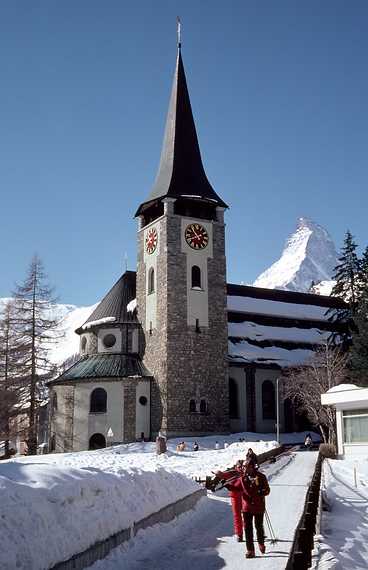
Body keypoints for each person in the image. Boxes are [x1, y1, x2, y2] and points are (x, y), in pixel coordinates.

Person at [229, 458, 270, 558]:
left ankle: (261, 543)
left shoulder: (261, 476)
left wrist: (261, 492)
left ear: (251, 467)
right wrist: (227, 485)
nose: (243, 468)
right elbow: (236, 488)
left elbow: (267, 490)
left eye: (245, 466)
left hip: (258, 506)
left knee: (258, 527)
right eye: (243, 466)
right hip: (247, 508)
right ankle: (250, 550)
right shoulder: (242, 478)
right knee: (248, 529)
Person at [215, 460, 245, 542]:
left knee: (247, 515)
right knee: (237, 516)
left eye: (242, 467)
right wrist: (218, 473)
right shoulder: (233, 473)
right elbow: (223, 475)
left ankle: (249, 532)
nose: (241, 468)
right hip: (235, 497)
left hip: (245, 496)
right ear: (236, 467)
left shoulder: (246, 473)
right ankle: (239, 534)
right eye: (239, 466)